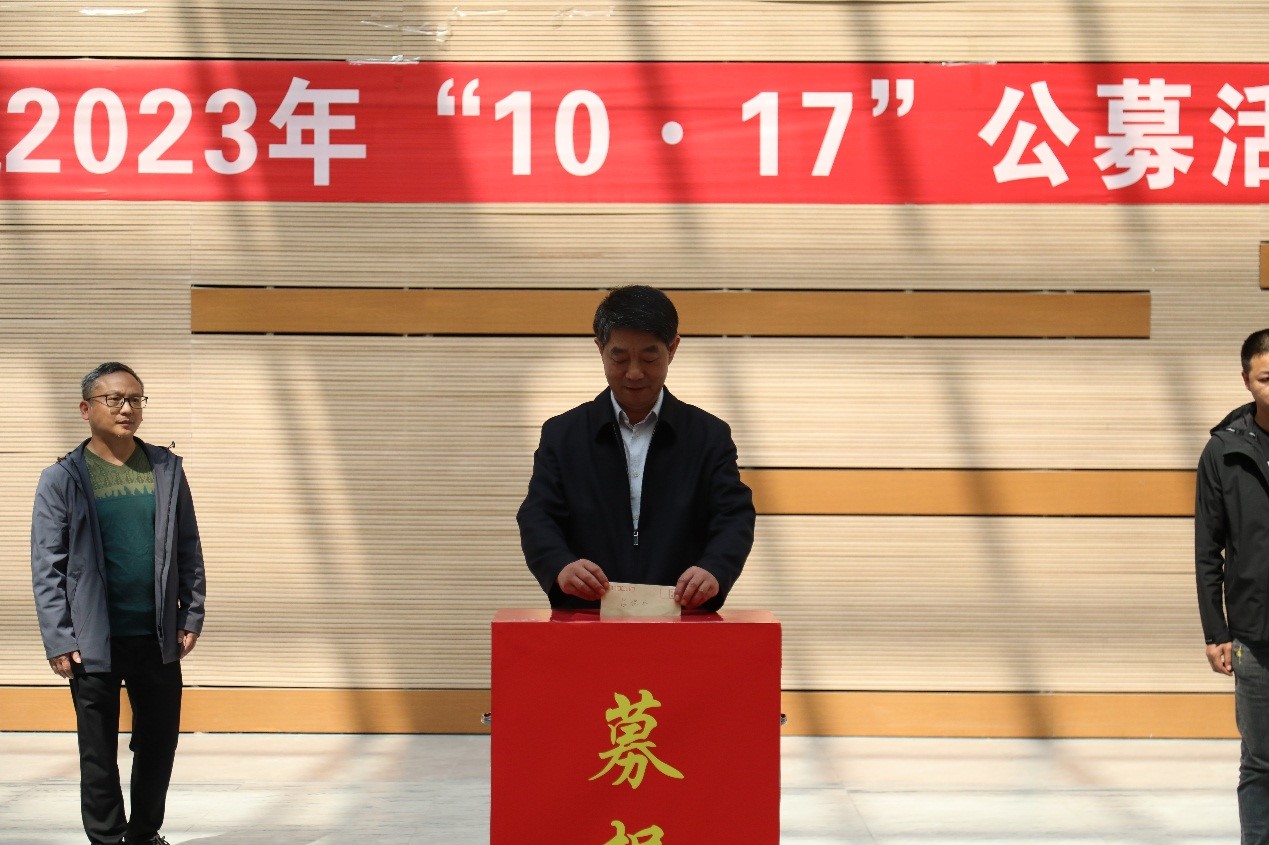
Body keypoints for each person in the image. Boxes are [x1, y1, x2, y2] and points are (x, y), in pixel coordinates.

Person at [31, 362, 206, 845]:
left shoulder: (166, 470)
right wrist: (59, 637)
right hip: (92, 641)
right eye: (114, 399)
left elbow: (188, 547)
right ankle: (108, 839)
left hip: (157, 635)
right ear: (86, 409)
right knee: (97, 750)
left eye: (135, 399)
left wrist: (190, 613)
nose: (127, 408)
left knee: (159, 741)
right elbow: (47, 565)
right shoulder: (61, 479)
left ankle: (144, 835)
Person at [517, 285, 755, 611]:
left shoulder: (708, 435)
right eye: (619, 357)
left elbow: (733, 516)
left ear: (673, 349)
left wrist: (715, 568)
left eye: (649, 357)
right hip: (588, 614)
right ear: (600, 349)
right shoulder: (563, 434)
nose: (634, 372)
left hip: (681, 615)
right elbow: (538, 515)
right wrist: (560, 565)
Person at [1196, 328, 1269, 844]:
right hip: (1255, 635)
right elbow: (1208, 549)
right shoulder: (1223, 452)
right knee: (1261, 762)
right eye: (1266, 378)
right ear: (1246, 381)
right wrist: (1216, 631)